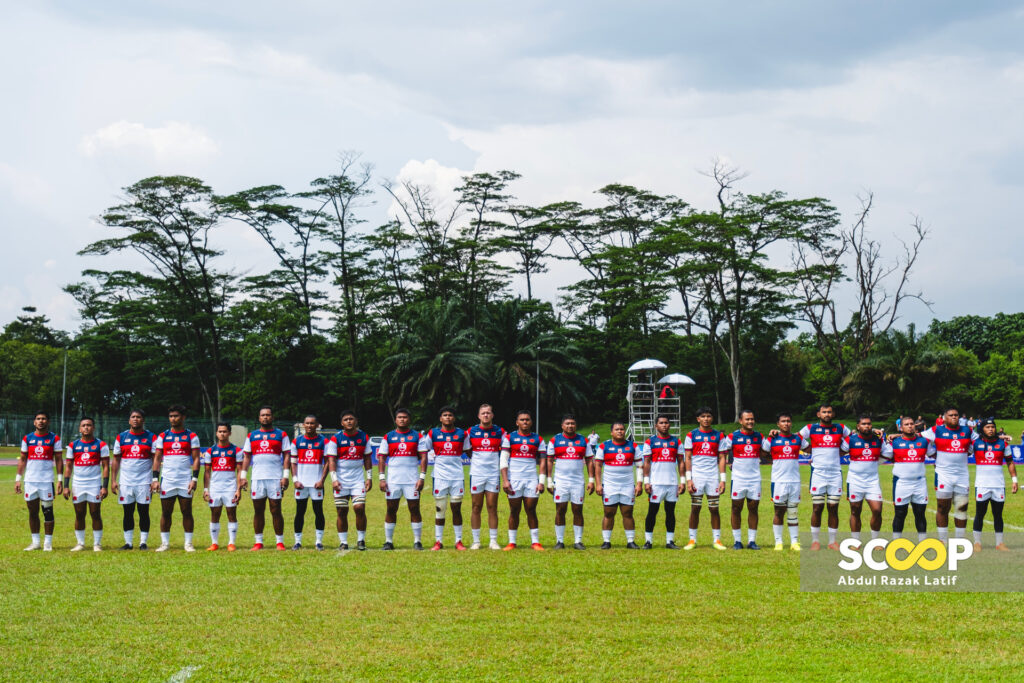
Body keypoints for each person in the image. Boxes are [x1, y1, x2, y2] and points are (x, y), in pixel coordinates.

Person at [798, 404, 850, 550]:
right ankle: (815, 541)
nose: (827, 414)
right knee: (817, 508)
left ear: (833, 414)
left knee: (833, 507)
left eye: (829, 412)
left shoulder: (840, 427)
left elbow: (853, 437)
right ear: (818, 414)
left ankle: (832, 541)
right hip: (818, 473)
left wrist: (842, 451)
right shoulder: (811, 428)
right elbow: (797, 437)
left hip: (835, 473)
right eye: (824, 412)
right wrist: (809, 450)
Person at [921, 407, 974, 542]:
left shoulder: (968, 430)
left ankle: (960, 541)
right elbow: (918, 438)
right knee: (942, 507)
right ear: (944, 418)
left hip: (962, 475)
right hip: (943, 475)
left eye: (956, 415)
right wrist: (932, 454)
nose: (954, 417)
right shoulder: (936, 430)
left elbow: (981, 441)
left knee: (961, 508)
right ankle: (943, 540)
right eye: (951, 415)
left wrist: (1001, 437)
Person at [152, 405, 201, 552]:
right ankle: (165, 544)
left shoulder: (191, 436)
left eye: (176, 416)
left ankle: (188, 543)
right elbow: (157, 458)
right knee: (166, 512)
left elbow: (197, 458)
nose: (173, 419)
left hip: (185, 479)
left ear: (183, 417)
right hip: (167, 480)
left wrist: (194, 479)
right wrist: (155, 479)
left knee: (187, 511)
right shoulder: (163, 436)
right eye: (171, 416)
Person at [378, 408, 428, 550]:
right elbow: (381, 458)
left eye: (405, 417)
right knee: (391, 509)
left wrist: (422, 477)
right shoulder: (388, 437)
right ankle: (388, 541)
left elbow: (424, 457)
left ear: (409, 419)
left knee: (414, 509)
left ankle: (417, 541)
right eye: (400, 417)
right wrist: (382, 478)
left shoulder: (418, 436)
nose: (402, 419)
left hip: (412, 480)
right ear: (395, 420)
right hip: (393, 480)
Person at [241, 406, 291, 551]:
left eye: (268, 415)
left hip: (275, 478)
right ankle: (258, 542)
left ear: (272, 417)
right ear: (259, 418)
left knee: (276, 509)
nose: (265, 417)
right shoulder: (252, 435)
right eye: (263, 415)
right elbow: (247, 456)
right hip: (257, 478)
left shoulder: (281, 434)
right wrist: (243, 476)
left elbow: (287, 455)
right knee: (258, 510)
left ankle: (279, 542)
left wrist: (285, 476)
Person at [15, 411, 62, 551]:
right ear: (34, 422)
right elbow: (22, 459)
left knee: (48, 511)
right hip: (30, 481)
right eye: (38, 419)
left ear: (48, 422)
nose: (41, 421)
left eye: (43, 419)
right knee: (32, 512)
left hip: (46, 481)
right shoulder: (27, 438)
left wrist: (59, 480)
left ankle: (48, 543)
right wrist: (18, 479)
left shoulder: (54, 438)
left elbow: (59, 460)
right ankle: (35, 542)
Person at [546, 413, 593, 550]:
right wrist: (549, 480)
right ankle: (559, 541)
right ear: (562, 425)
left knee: (577, 509)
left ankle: (578, 541)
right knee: (560, 509)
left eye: (572, 423)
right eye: (567, 423)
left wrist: (591, 480)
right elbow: (549, 460)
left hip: (578, 481)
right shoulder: (555, 440)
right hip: (560, 481)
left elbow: (590, 460)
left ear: (575, 425)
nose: (570, 426)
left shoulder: (583, 440)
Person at [683, 407, 728, 550]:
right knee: (695, 508)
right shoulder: (691, 435)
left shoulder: (719, 436)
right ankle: (692, 540)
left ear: (712, 418)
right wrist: (689, 479)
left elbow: (722, 457)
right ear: (698, 419)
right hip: (697, 476)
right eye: (703, 416)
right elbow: (688, 458)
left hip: (712, 476)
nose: (706, 419)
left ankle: (717, 540)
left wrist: (722, 479)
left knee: (714, 509)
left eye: (709, 416)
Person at [425, 406, 470, 550]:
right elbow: (424, 450)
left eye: (450, 415)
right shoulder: (433, 433)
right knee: (440, 509)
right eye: (445, 415)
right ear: (440, 418)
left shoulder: (462, 434)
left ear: (454, 418)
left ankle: (458, 541)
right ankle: (438, 541)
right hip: (439, 476)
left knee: (456, 508)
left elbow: (469, 452)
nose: (448, 417)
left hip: (457, 476)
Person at [500, 409, 545, 551]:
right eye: (522, 419)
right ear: (517, 422)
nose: (525, 422)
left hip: (531, 479)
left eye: (527, 419)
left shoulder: (538, 439)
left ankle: (535, 542)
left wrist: (541, 481)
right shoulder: (509, 438)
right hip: (514, 479)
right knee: (514, 510)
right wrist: (505, 480)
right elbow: (503, 460)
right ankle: (512, 542)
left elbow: (543, 461)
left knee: (531, 509)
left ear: (531, 422)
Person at [62, 417, 109, 551]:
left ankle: (97, 544)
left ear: (93, 428)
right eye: (83, 425)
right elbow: (69, 467)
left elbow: (106, 466)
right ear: (79, 429)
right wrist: (66, 486)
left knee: (95, 513)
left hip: (94, 483)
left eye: (89, 425)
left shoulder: (101, 445)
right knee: (79, 513)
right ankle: (80, 543)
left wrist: (104, 486)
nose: (86, 427)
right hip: (78, 484)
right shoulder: (73, 445)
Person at [328, 410, 373, 551]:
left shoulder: (363, 437)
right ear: (342, 423)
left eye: (351, 419)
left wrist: (369, 477)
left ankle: (361, 540)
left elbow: (367, 458)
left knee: (359, 508)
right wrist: (334, 479)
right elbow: (331, 460)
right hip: (341, 479)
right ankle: (343, 542)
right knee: (341, 510)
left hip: (357, 479)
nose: (349, 421)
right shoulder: (336, 439)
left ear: (356, 421)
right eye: (346, 419)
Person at [111, 409, 155, 550]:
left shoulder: (151, 437)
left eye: (139, 417)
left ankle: (143, 543)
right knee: (127, 512)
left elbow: (156, 459)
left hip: (144, 481)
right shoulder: (121, 437)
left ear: (143, 420)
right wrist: (113, 480)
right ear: (129, 420)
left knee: (144, 512)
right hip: (126, 482)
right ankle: (128, 543)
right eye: (133, 417)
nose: (135, 419)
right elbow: (116, 460)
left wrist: (155, 479)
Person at [595, 421, 643, 549]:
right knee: (609, 513)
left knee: (628, 512)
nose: (620, 431)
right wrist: (598, 484)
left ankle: (630, 541)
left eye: (622, 429)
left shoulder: (633, 446)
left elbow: (639, 466)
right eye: (617, 429)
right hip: (610, 485)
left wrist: (639, 484)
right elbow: (598, 466)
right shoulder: (604, 446)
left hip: (627, 485)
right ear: (612, 432)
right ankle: (606, 541)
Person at [972, 418, 1018, 551]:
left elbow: (1010, 462)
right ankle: (977, 543)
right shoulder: (975, 443)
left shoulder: (1003, 444)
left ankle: (999, 543)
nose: (991, 429)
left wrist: (1014, 480)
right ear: (982, 429)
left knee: (998, 514)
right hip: (981, 485)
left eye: (993, 427)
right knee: (980, 514)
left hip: (998, 485)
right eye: (988, 427)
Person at [721, 410, 764, 550]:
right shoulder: (733, 436)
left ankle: (752, 541)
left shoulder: (759, 437)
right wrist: (728, 463)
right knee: (735, 508)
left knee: (753, 508)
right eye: (747, 419)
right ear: (740, 421)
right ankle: (737, 541)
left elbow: (768, 451)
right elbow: (722, 452)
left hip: (754, 479)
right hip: (738, 479)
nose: (750, 422)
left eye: (752, 419)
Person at [885, 417, 933, 542]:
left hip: (920, 483)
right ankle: (896, 542)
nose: (910, 426)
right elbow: (884, 454)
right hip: (902, 483)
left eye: (912, 424)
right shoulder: (894, 442)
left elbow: (935, 454)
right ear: (901, 428)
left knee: (920, 514)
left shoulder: (923, 441)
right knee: (900, 514)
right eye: (906, 424)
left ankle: (922, 542)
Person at [841, 415, 886, 546]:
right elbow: (838, 452)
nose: (867, 426)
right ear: (858, 426)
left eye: (869, 424)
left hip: (872, 482)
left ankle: (875, 540)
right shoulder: (850, 439)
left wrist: (877, 462)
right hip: (855, 480)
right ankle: (855, 541)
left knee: (877, 510)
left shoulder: (878, 439)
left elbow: (888, 454)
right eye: (864, 424)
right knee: (855, 511)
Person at [641, 414, 684, 549]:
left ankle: (669, 541)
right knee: (652, 512)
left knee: (670, 512)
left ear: (669, 425)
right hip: (656, 484)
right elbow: (646, 463)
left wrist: (682, 481)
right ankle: (648, 541)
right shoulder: (650, 442)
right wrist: (646, 482)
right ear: (656, 426)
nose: (664, 425)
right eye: (661, 423)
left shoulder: (676, 442)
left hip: (672, 483)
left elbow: (681, 462)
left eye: (666, 422)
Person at [466, 404, 505, 550]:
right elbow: (467, 450)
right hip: (476, 474)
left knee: (492, 507)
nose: (486, 415)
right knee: (476, 507)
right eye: (483, 413)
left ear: (492, 415)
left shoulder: (500, 431)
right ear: (478, 416)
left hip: (493, 474)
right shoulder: (471, 431)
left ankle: (493, 541)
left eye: (488, 413)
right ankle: (476, 541)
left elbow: (505, 450)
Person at [762, 412, 802, 551]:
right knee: (779, 511)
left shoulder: (798, 439)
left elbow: (810, 448)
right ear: (778, 424)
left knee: (793, 512)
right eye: (783, 421)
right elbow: (763, 452)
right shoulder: (772, 438)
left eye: (788, 421)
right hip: (778, 481)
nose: (786, 423)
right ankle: (778, 542)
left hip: (795, 481)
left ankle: (794, 542)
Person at [290, 415, 330, 550]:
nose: (309, 426)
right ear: (303, 425)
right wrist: (295, 480)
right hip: (301, 484)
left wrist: (322, 480)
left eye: (312, 423)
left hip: (316, 484)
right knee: (299, 512)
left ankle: (318, 541)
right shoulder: (296, 441)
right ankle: (298, 542)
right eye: (307, 423)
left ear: (317, 425)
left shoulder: (324, 442)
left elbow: (328, 462)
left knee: (318, 511)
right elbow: (293, 463)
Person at [202, 422, 242, 551]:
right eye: (220, 431)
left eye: (225, 431)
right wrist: (206, 489)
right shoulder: (210, 451)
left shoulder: (236, 450)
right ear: (216, 433)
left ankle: (231, 543)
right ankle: (214, 543)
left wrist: (238, 489)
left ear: (229, 433)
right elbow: (207, 472)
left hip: (230, 487)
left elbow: (240, 471)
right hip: (215, 487)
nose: (222, 434)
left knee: (231, 513)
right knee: (215, 514)